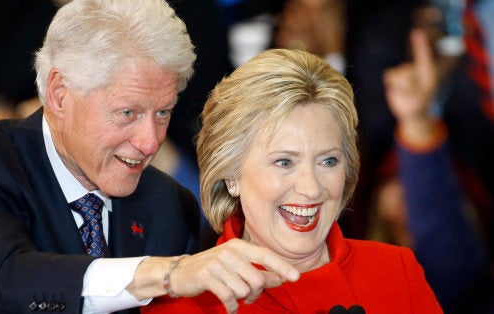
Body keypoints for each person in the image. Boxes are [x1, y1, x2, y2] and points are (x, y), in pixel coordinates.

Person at [0, 1, 300, 313]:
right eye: (127, 113)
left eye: (163, 113)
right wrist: (165, 273)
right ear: (59, 93)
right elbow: (5, 278)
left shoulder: (167, 205)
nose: (149, 142)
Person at [141, 48, 442, 313]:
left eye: (328, 161)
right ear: (230, 174)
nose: (311, 188)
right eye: (284, 162)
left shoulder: (395, 273)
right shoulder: (186, 306)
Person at [371, 28, 493, 313]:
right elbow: (443, 247)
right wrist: (415, 121)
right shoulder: (457, 284)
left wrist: (416, 119)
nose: (408, 212)